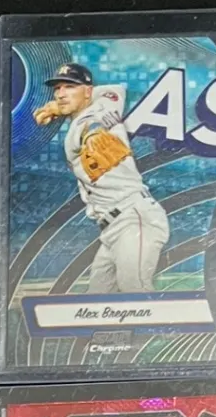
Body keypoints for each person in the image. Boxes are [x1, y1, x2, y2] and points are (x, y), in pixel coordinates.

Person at [33, 62, 171, 294]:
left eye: (69, 87)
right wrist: (57, 107)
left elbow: (93, 124)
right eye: (58, 88)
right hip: (113, 227)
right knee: (97, 299)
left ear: (88, 91)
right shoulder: (107, 100)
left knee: (135, 291)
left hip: (133, 218)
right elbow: (114, 91)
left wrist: (94, 134)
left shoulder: (88, 120)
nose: (61, 94)